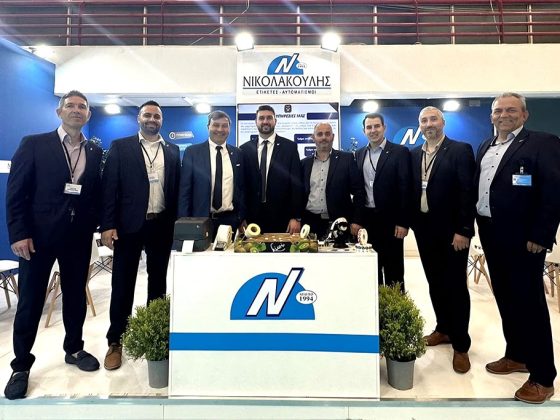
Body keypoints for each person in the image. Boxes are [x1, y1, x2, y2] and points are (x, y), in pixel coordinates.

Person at [4, 91, 102, 400]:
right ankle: (21, 365)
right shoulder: (34, 144)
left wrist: (95, 224)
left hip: (77, 237)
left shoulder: (94, 150)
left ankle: (74, 349)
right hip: (38, 238)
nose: (76, 110)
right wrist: (19, 234)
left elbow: (94, 192)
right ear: (59, 111)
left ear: (88, 115)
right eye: (70, 105)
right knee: (31, 301)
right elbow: (16, 192)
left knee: (75, 297)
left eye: (82, 107)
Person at [475, 92, 560, 403]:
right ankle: (517, 355)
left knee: (530, 304)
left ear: (524, 115)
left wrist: (541, 234)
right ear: (491, 116)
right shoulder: (486, 146)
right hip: (490, 232)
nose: (504, 115)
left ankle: (542, 377)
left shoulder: (542, 143)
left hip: (525, 239)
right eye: (498, 110)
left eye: (511, 110)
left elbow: (553, 191)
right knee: (506, 298)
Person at [100, 100, 180, 371]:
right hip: (128, 227)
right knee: (123, 284)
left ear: (162, 120)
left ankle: (155, 335)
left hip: (161, 225)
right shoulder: (121, 147)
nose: (152, 119)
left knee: (158, 283)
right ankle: (116, 341)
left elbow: (175, 189)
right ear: (138, 118)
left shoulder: (171, 150)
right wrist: (107, 225)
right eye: (147, 115)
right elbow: (109, 188)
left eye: (157, 116)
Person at [410, 106, 475, 374]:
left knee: (455, 286)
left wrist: (463, 230)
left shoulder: (459, 150)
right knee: (435, 282)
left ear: (443, 122)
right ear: (419, 125)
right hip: (425, 230)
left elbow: (467, 192)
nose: (429, 124)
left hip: (452, 233)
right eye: (424, 120)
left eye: (433, 119)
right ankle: (443, 328)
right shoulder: (415, 154)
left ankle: (461, 345)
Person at [355, 113, 411, 289]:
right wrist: (357, 220)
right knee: (372, 268)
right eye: (369, 127)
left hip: (392, 221)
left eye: (376, 126)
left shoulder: (400, 152)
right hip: (368, 221)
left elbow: (405, 188)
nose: (373, 130)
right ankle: (376, 304)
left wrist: (403, 222)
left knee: (394, 269)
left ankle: (395, 305)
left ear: (384, 128)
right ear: (364, 131)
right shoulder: (359, 154)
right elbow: (358, 190)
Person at [178, 110, 245, 237]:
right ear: (208, 126)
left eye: (224, 126)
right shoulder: (192, 152)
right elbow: (185, 191)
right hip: (200, 221)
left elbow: (241, 188)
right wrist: (184, 221)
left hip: (230, 221)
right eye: (216, 125)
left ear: (229, 128)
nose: (220, 129)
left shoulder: (238, 154)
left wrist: (241, 217)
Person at [240, 104, 303, 234]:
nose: (265, 121)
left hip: (282, 217)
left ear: (275, 121)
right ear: (256, 121)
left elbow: (296, 184)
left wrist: (296, 216)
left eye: (269, 118)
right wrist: (241, 217)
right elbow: (241, 186)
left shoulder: (290, 148)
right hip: (251, 218)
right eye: (261, 118)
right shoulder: (244, 149)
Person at [301, 122, 365, 239]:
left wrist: (357, 220)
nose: (324, 137)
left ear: (333, 136)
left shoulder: (347, 159)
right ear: (313, 137)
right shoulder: (304, 163)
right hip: (310, 222)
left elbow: (359, 192)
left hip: (339, 222)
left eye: (327, 134)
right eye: (319, 134)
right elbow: (298, 194)